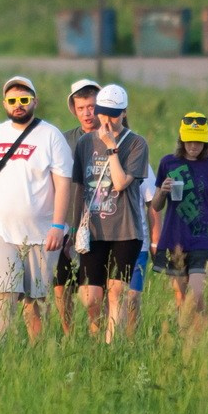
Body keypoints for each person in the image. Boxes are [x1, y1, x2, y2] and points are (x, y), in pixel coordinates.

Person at [0, 75, 74, 342]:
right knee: (4, 293)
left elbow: (63, 185)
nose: (18, 105)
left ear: (34, 102)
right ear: (4, 103)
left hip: (40, 233)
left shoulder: (51, 136)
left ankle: (36, 354)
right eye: (12, 100)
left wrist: (58, 226)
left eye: (24, 100)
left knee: (35, 299)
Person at [79, 83, 151, 340]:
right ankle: (95, 337)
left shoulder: (136, 144)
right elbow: (78, 187)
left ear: (124, 113)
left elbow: (120, 183)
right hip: (94, 230)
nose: (108, 119)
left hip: (125, 229)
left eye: (114, 113)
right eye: (103, 112)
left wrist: (111, 148)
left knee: (116, 291)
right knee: (90, 298)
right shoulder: (85, 142)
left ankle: (112, 345)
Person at [150, 112, 208, 341]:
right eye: (189, 140)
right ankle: (185, 339)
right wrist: (162, 191)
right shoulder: (168, 163)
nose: (193, 146)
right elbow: (156, 206)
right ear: (181, 139)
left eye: (198, 141)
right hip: (175, 238)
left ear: (206, 141)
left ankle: (201, 339)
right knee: (181, 296)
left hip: (203, 239)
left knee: (197, 292)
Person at [55, 78, 105, 338]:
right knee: (61, 287)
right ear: (74, 109)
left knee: (92, 291)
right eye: (82, 107)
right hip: (66, 223)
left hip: (100, 222)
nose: (88, 113)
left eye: (93, 106)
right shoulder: (63, 141)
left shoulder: (111, 137)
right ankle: (68, 336)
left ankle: (96, 337)